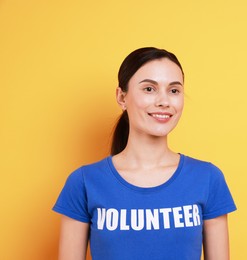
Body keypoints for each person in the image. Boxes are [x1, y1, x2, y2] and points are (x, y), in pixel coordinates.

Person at [53, 47, 237, 260]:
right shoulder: (84, 182)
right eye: (149, 89)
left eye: (174, 90)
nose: (164, 101)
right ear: (122, 97)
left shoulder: (208, 178)